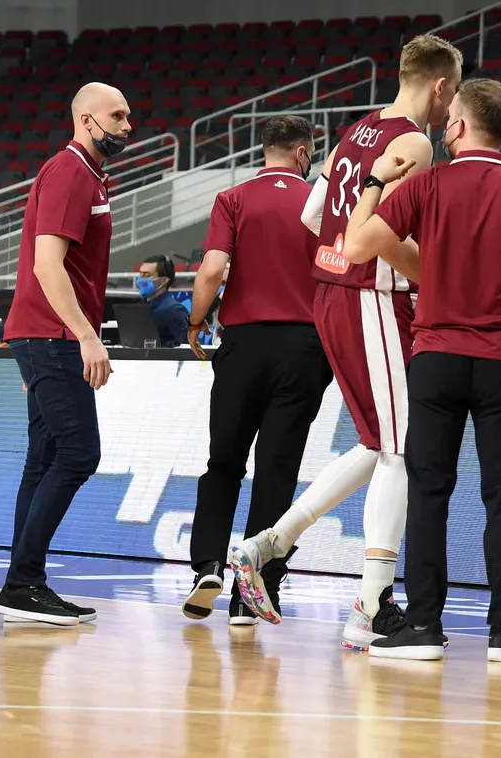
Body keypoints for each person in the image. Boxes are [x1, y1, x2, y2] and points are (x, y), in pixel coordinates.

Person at [228, 34, 461, 648]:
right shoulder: (414, 141)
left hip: (333, 292)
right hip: (372, 298)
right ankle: (369, 604)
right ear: (441, 86)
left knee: (380, 441)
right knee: (401, 448)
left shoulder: (353, 131)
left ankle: (268, 544)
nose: (451, 105)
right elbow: (390, 237)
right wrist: (438, 275)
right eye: (453, 91)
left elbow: (313, 218)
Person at [340, 78, 501, 662]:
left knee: (429, 492)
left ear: (457, 127)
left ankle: (422, 627)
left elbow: (354, 247)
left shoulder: (424, 184)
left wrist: (374, 180)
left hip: (436, 360)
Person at [181, 115, 334, 626]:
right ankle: (256, 589)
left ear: (265, 150)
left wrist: (197, 319)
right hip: (304, 345)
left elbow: (213, 268)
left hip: (243, 344)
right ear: (304, 153)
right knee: (277, 467)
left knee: (223, 461)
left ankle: (206, 564)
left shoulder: (234, 197)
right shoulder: (323, 202)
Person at [0, 82, 128, 626]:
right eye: (116, 116)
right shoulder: (71, 172)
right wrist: (86, 335)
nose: (126, 126)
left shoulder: (88, 174)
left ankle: (21, 585)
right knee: (79, 454)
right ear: (85, 120)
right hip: (54, 336)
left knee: (45, 458)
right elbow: (48, 266)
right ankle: (25, 582)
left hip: (43, 335)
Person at [136, 255, 188, 347]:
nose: (141, 280)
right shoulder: (139, 307)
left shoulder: (175, 311)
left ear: (164, 280)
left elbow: (189, 348)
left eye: (147, 275)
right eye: (140, 274)